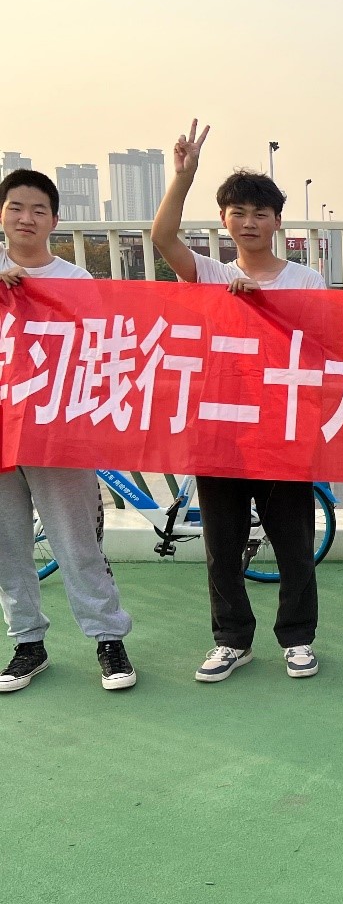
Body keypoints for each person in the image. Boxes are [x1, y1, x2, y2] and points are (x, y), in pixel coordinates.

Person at [151, 119, 326, 683]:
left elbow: (322, 349)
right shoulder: (209, 273)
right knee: (221, 546)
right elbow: (163, 240)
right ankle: (231, 640)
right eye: (238, 213)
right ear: (224, 220)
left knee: (294, 544)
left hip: (282, 429)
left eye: (260, 213)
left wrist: (266, 310)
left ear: (277, 221)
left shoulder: (307, 281)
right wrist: (183, 177)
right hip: (220, 428)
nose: (249, 222)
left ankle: (297, 638)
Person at [0, 170, 136, 692]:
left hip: (57, 429)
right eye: (16, 207)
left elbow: (100, 350)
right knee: (7, 544)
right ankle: (27, 643)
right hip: (2, 429)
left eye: (38, 210)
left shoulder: (75, 281)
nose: (26, 218)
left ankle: (108, 637)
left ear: (54, 220)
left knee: (77, 542)